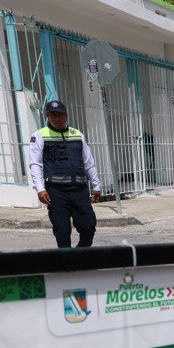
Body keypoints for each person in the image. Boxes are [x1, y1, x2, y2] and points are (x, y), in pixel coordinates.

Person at [28, 99, 101, 249]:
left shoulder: (77, 134)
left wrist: (96, 185)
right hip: (56, 191)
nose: (57, 118)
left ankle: (79, 255)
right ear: (47, 116)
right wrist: (40, 189)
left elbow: (88, 162)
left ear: (66, 115)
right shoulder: (39, 135)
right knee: (62, 231)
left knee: (88, 226)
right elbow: (35, 164)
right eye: (53, 115)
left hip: (79, 189)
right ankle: (67, 261)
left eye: (60, 114)